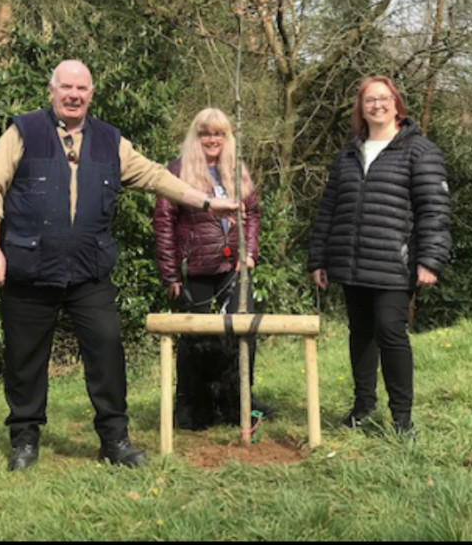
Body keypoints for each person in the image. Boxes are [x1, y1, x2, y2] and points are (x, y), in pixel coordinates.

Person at [0, 60, 241, 471]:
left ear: (92, 94)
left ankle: (114, 440)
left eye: (82, 88)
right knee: (24, 361)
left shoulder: (110, 141)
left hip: (89, 271)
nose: (74, 95)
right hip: (29, 269)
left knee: (107, 353)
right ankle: (24, 440)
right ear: (52, 90)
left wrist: (206, 200)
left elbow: (155, 176)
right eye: (66, 87)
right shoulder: (23, 132)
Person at [307, 75, 451, 435]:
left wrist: (430, 260)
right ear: (361, 108)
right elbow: (329, 209)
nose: (377, 105)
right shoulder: (348, 155)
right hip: (351, 261)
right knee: (361, 333)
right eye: (369, 100)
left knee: (391, 331)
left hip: (394, 263)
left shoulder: (420, 151)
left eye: (384, 99)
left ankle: (402, 419)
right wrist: (319, 258)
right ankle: (363, 407)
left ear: (396, 105)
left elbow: (434, 209)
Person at [152, 108, 273, 429]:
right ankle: (192, 406)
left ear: (227, 137)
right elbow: (163, 223)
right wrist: (170, 274)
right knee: (197, 342)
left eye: (218, 133)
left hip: (232, 268)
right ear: (196, 136)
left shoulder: (237, 171)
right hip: (195, 271)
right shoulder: (176, 172)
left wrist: (250, 253)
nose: (212, 139)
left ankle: (238, 403)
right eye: (205, 133)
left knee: (241, 338)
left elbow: (254, 213)